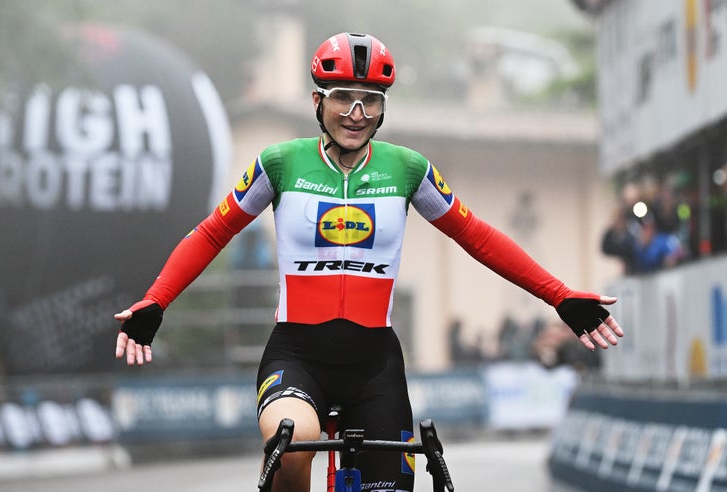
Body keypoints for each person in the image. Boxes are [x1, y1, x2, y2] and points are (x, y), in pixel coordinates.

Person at [113, 32, 625, 492]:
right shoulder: (280, 163)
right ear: (318, 102)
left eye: (370, 101)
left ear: (382, 107)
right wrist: (158, 301)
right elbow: (210, 233)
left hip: (373, 363)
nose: (357, 112)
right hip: (297, 353)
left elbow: (478, 237)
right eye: (343, 98)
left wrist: (558, 295)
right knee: (292, 445)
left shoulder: (407, 169)